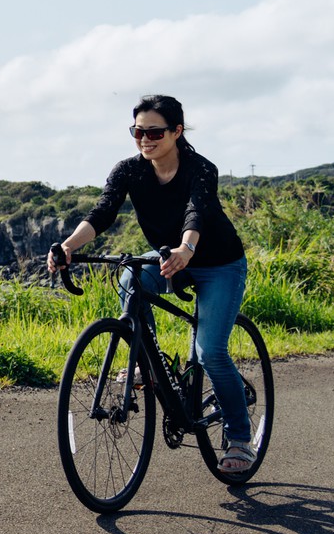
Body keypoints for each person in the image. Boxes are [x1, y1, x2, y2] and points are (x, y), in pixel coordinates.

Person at [46, 94, 255, 472]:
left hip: (218, 264)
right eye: (138, 131)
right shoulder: (129, 171)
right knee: (130, 276)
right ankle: (142, 360)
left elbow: (197, 212)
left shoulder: (201, 168)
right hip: (166, 259)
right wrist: (68, 246)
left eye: (154, 132)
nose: (145, 139)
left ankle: (239, 437)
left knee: (210, 351)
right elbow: (103, 212)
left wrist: (186, 248)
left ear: (176, 131)